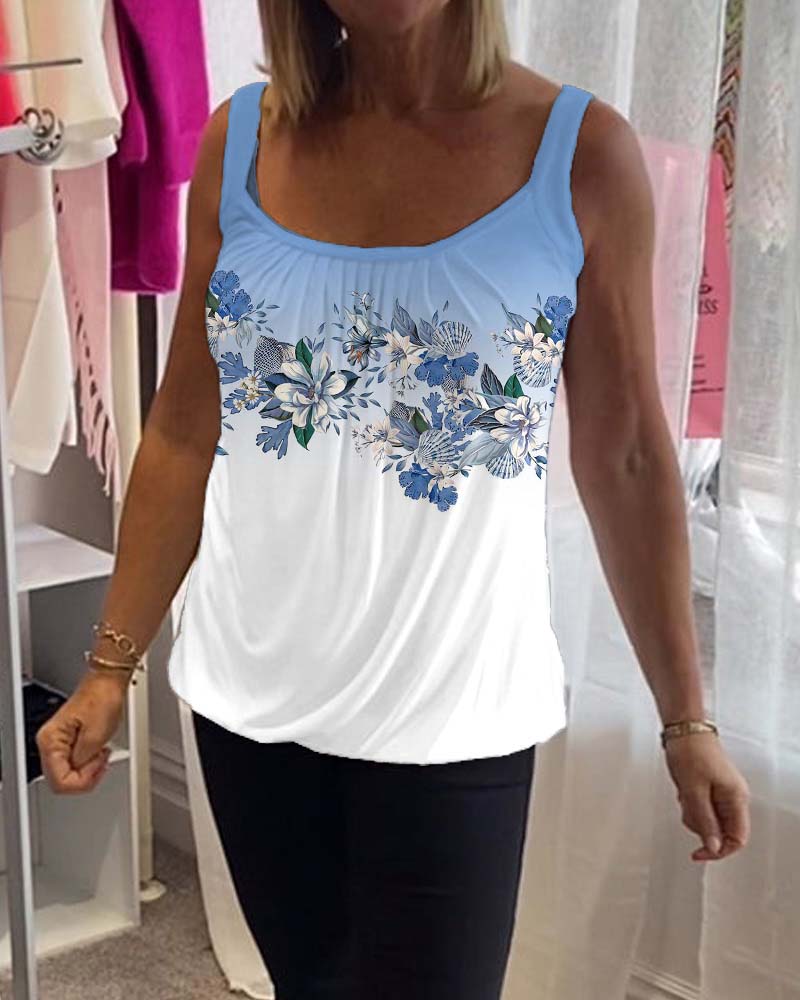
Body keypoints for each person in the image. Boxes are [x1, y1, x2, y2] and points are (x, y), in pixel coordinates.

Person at [36, 1, 751, 998]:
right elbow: (184, 431)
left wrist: (686, 720)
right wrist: (108, 669)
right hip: (252, 699)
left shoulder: (581, 154)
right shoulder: (242, 142)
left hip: (452, 713)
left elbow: (625, 456)